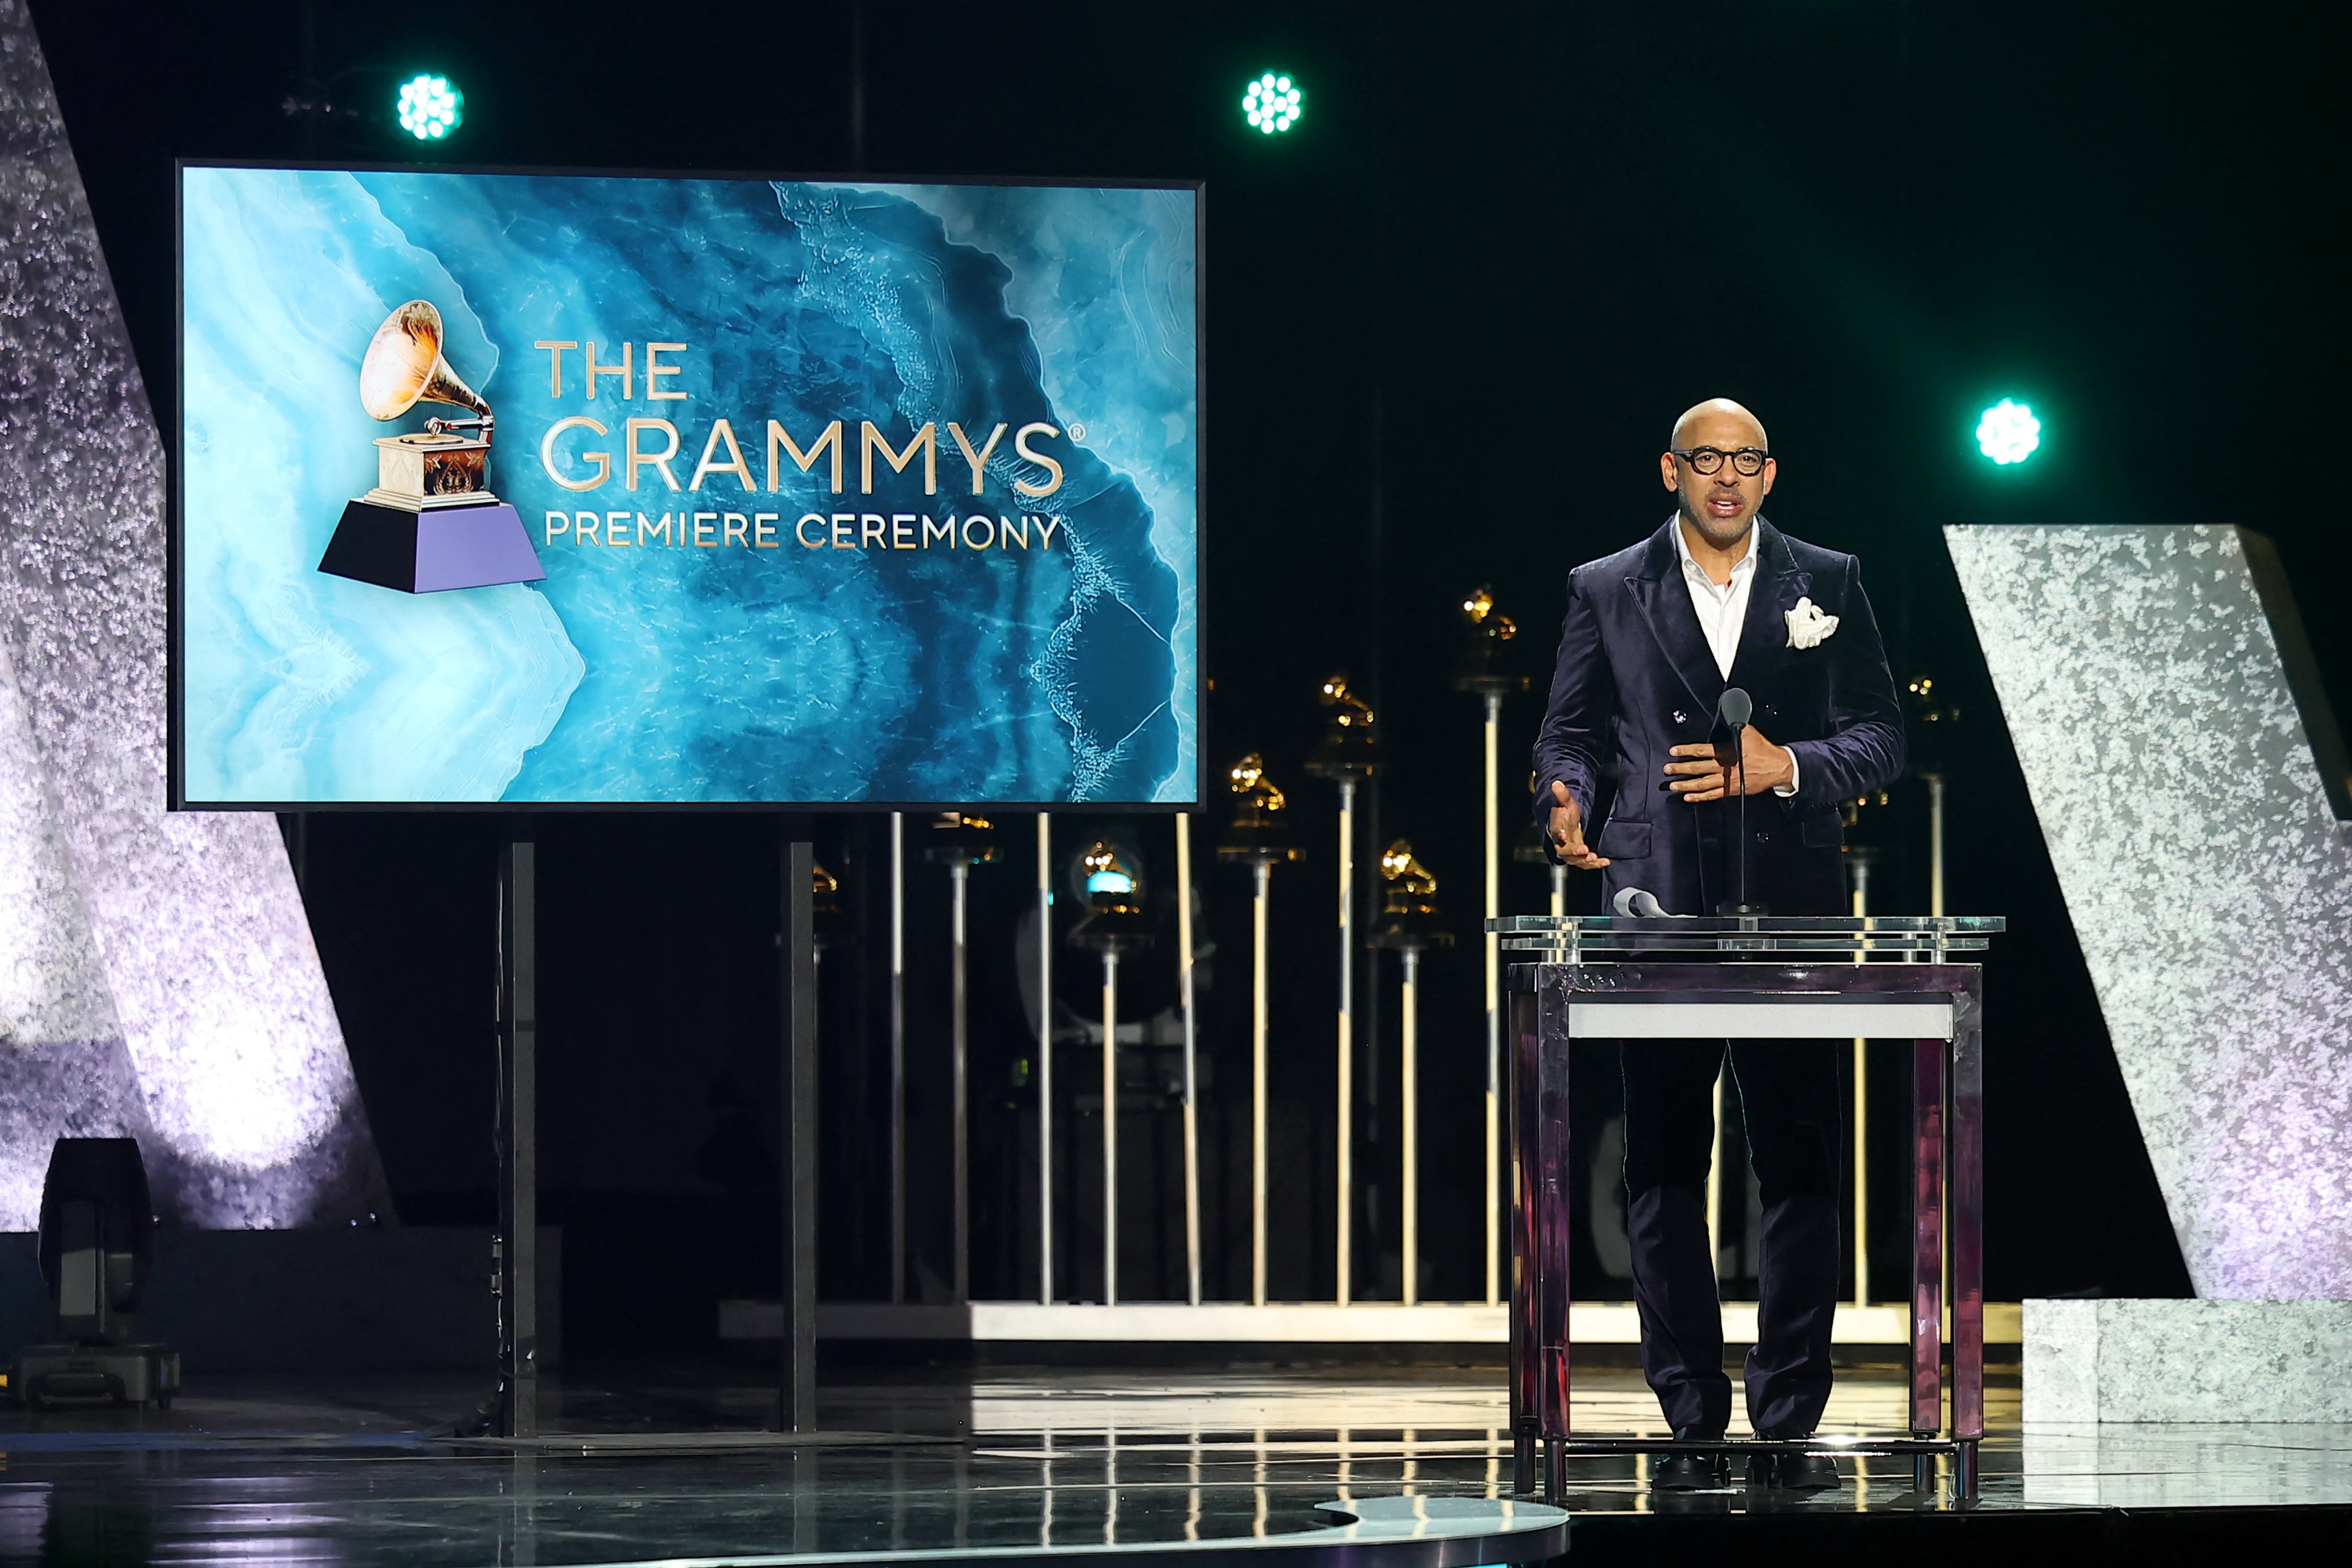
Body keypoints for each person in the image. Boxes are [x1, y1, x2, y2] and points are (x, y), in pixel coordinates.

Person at [1531, 398, 1905, 1491]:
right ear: (1672, 470)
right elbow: (1569, 729)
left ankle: (1786, 1417)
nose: (1726, 476)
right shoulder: (1606, 585)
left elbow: (1881, 734)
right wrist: (1563, 795)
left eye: (1745, 459)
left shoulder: (1826, 580)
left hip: (1792, 903)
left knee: (1798, 1159)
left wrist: (1786, 765)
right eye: (1707, 459)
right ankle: (1690, 1414)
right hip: (1657, 903)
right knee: (1659, 1161)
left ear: (1769, 474)